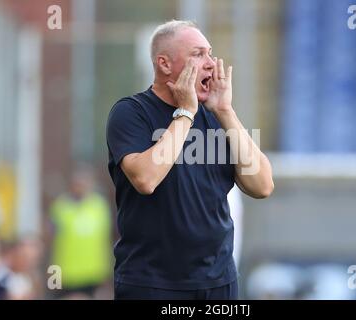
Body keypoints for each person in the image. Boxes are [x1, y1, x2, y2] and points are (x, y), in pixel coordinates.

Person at [106, 20, 274, 300]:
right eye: (198, 54)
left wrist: (225, 110)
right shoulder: (131, 113)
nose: (211, 63)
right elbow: (146, 179)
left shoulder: (217, 117)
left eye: (210, 53)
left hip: (217, 282)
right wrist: (185, 112)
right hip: (152, 283)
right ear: (165, 64)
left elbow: (262, 185)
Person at [49, 167, 112, 299]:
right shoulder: (60, 207)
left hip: (93, 271)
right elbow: (52, 240)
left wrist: (107, 271)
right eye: (77, 183)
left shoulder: (99, 206)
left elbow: (105, 239)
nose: (80, 187)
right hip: (66, 272)